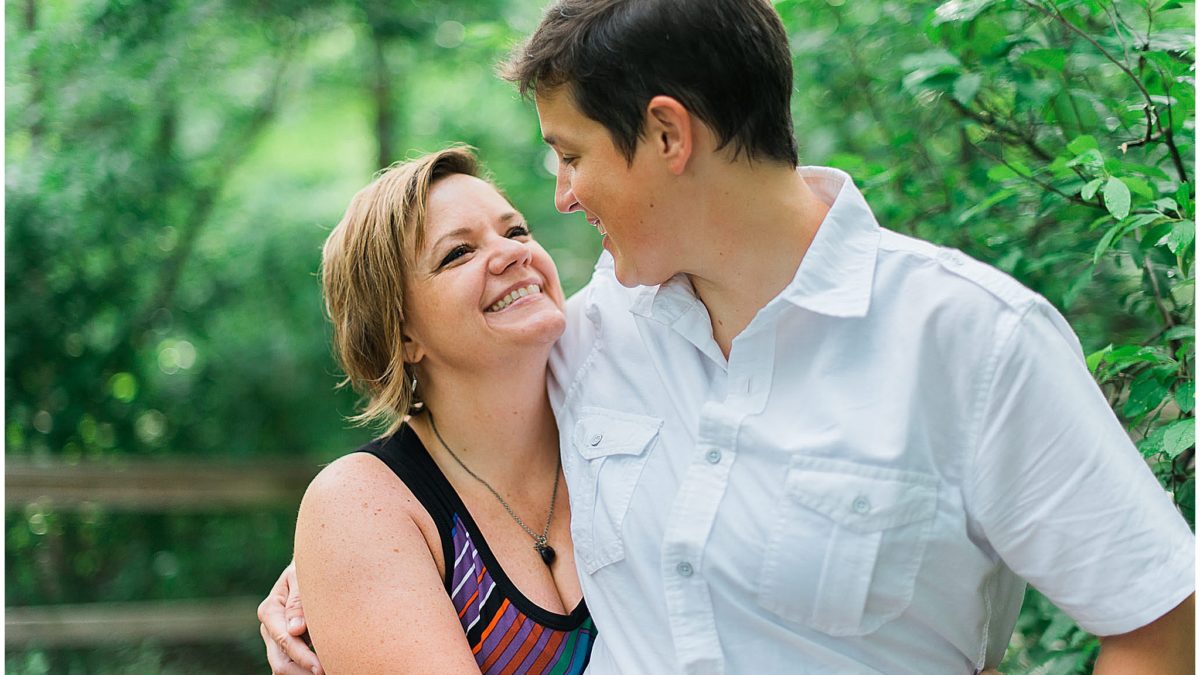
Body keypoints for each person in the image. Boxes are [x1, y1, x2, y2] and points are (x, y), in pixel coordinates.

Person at [262, 1, 1196, 673]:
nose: (562, 199)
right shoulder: (591, 336)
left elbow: (1164, 622)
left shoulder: (972, 342)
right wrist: (326, 582)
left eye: (574, 155)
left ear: (668, 134)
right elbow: (441, 468)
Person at [284, 146, 595, 674]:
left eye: (516, 231)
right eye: (458, 253)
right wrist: (331, 559)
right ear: (401, 332)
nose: (513, 253)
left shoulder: (633, 394)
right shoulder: (365, 504)